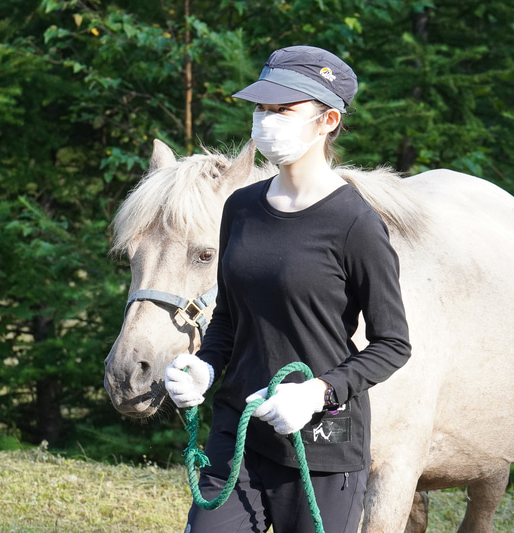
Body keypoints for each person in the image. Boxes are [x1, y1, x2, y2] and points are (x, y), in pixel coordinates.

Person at [165, 45, 412, 533]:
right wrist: (206, 367)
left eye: (283, 109)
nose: (266, 120)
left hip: (321, 442)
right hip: (239, 430)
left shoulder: (356, 224)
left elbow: (393, 344)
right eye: (261, 107)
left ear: (328, 121)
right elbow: (229, 315)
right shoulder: (240, 208)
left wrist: (318, 393)